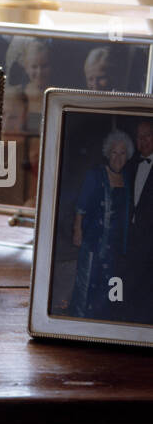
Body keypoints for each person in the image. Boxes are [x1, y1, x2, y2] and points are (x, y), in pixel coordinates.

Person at [68, 129, 133, 319]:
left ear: (127, 156)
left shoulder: (128, 178)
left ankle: (103, 325)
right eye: (114, 152)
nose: (118, 158)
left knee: (110, 287)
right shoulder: (95, 174)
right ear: (108, 153)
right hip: (93, 240)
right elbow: (81, 206)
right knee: (86, 285)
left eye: (122, 153)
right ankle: (78, 324)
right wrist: (77, 230)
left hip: (117, 246)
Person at [124, 119, 153, 324]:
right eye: (138, 136)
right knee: (127, 283)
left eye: (147, 135)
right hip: (129, 236)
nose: (142, 141)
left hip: (150, 240)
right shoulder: (129, 164)